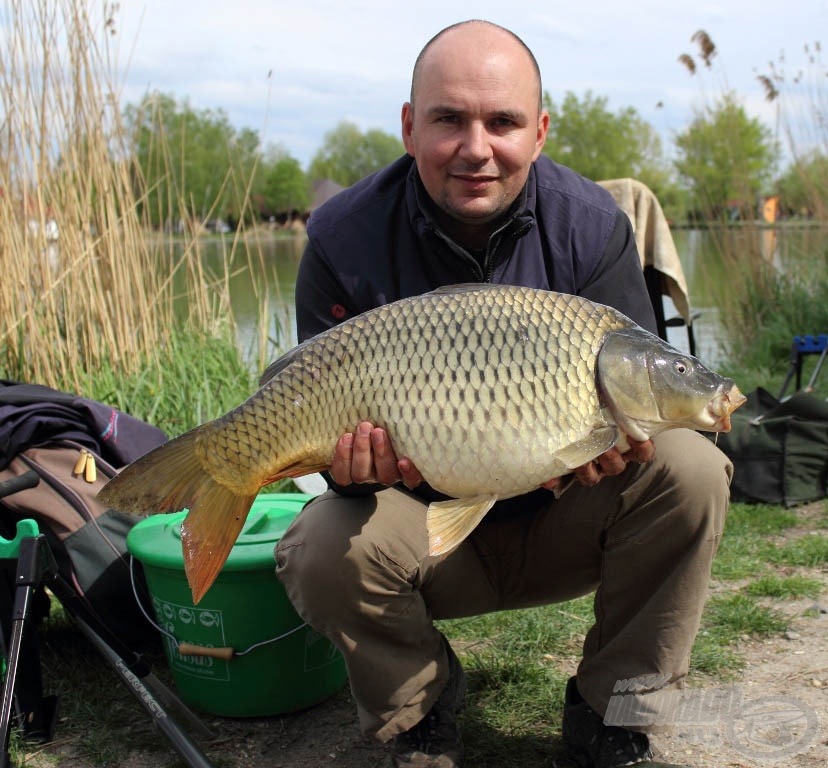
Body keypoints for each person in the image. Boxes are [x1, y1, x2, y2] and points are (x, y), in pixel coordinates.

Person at [276, 19, 732, 768]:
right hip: (425, 532)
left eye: (504, 121)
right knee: (318, 544)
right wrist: (351, 465)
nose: (477, 147)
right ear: (408, 126)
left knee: (693, 469)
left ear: (541, 131)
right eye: (449, 119)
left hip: (565, 518)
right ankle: (418, 707)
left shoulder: (593, 229)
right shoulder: (340, 239)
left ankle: (612, 713)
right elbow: (330, 464)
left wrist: (619, 443)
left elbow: (644, 397)